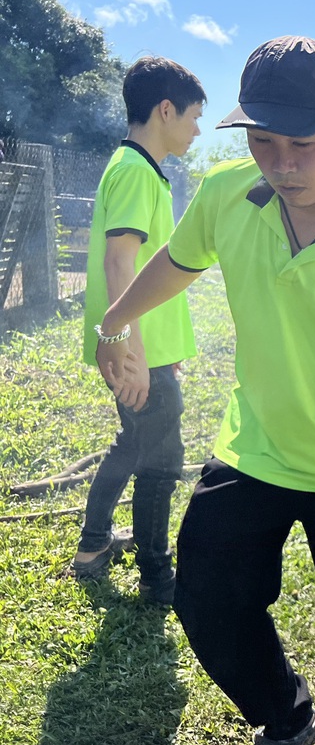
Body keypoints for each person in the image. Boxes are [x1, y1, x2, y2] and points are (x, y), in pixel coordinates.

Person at [95, 36, 315, 745]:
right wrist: (114, 320)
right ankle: (286, 718)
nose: (281, 164)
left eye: (304, 145)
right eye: (263, 142)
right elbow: (174, 262)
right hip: (256, 446)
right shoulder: (227, 194)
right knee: (208, 595)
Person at [71, 56, 205, 606]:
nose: (198, 129)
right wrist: (134, 354)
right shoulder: (133, 171)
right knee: (161, 462)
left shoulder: (138, 169)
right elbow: (120, 263)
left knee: (134, 445)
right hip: (136, 352)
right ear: (165, 109)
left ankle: (94, 547)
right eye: (194, 116)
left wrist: (158, 351)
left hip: (147, 349)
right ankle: (157, 578)